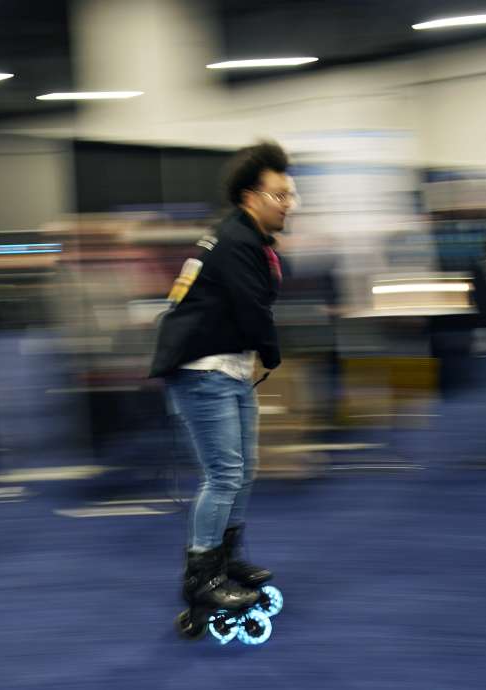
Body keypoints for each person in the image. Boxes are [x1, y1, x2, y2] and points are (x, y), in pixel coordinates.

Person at [150, 141, 295, 615]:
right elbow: (253, 308)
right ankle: (202, 576)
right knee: (224, 474)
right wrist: (272, 351)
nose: (288, 203)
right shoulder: (235, 241)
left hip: (227, 367)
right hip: (202, 371)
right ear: (251, 196)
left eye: (291, 195)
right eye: (279, 195)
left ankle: (227, 560)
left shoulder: (242, 238)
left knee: (241, 470)